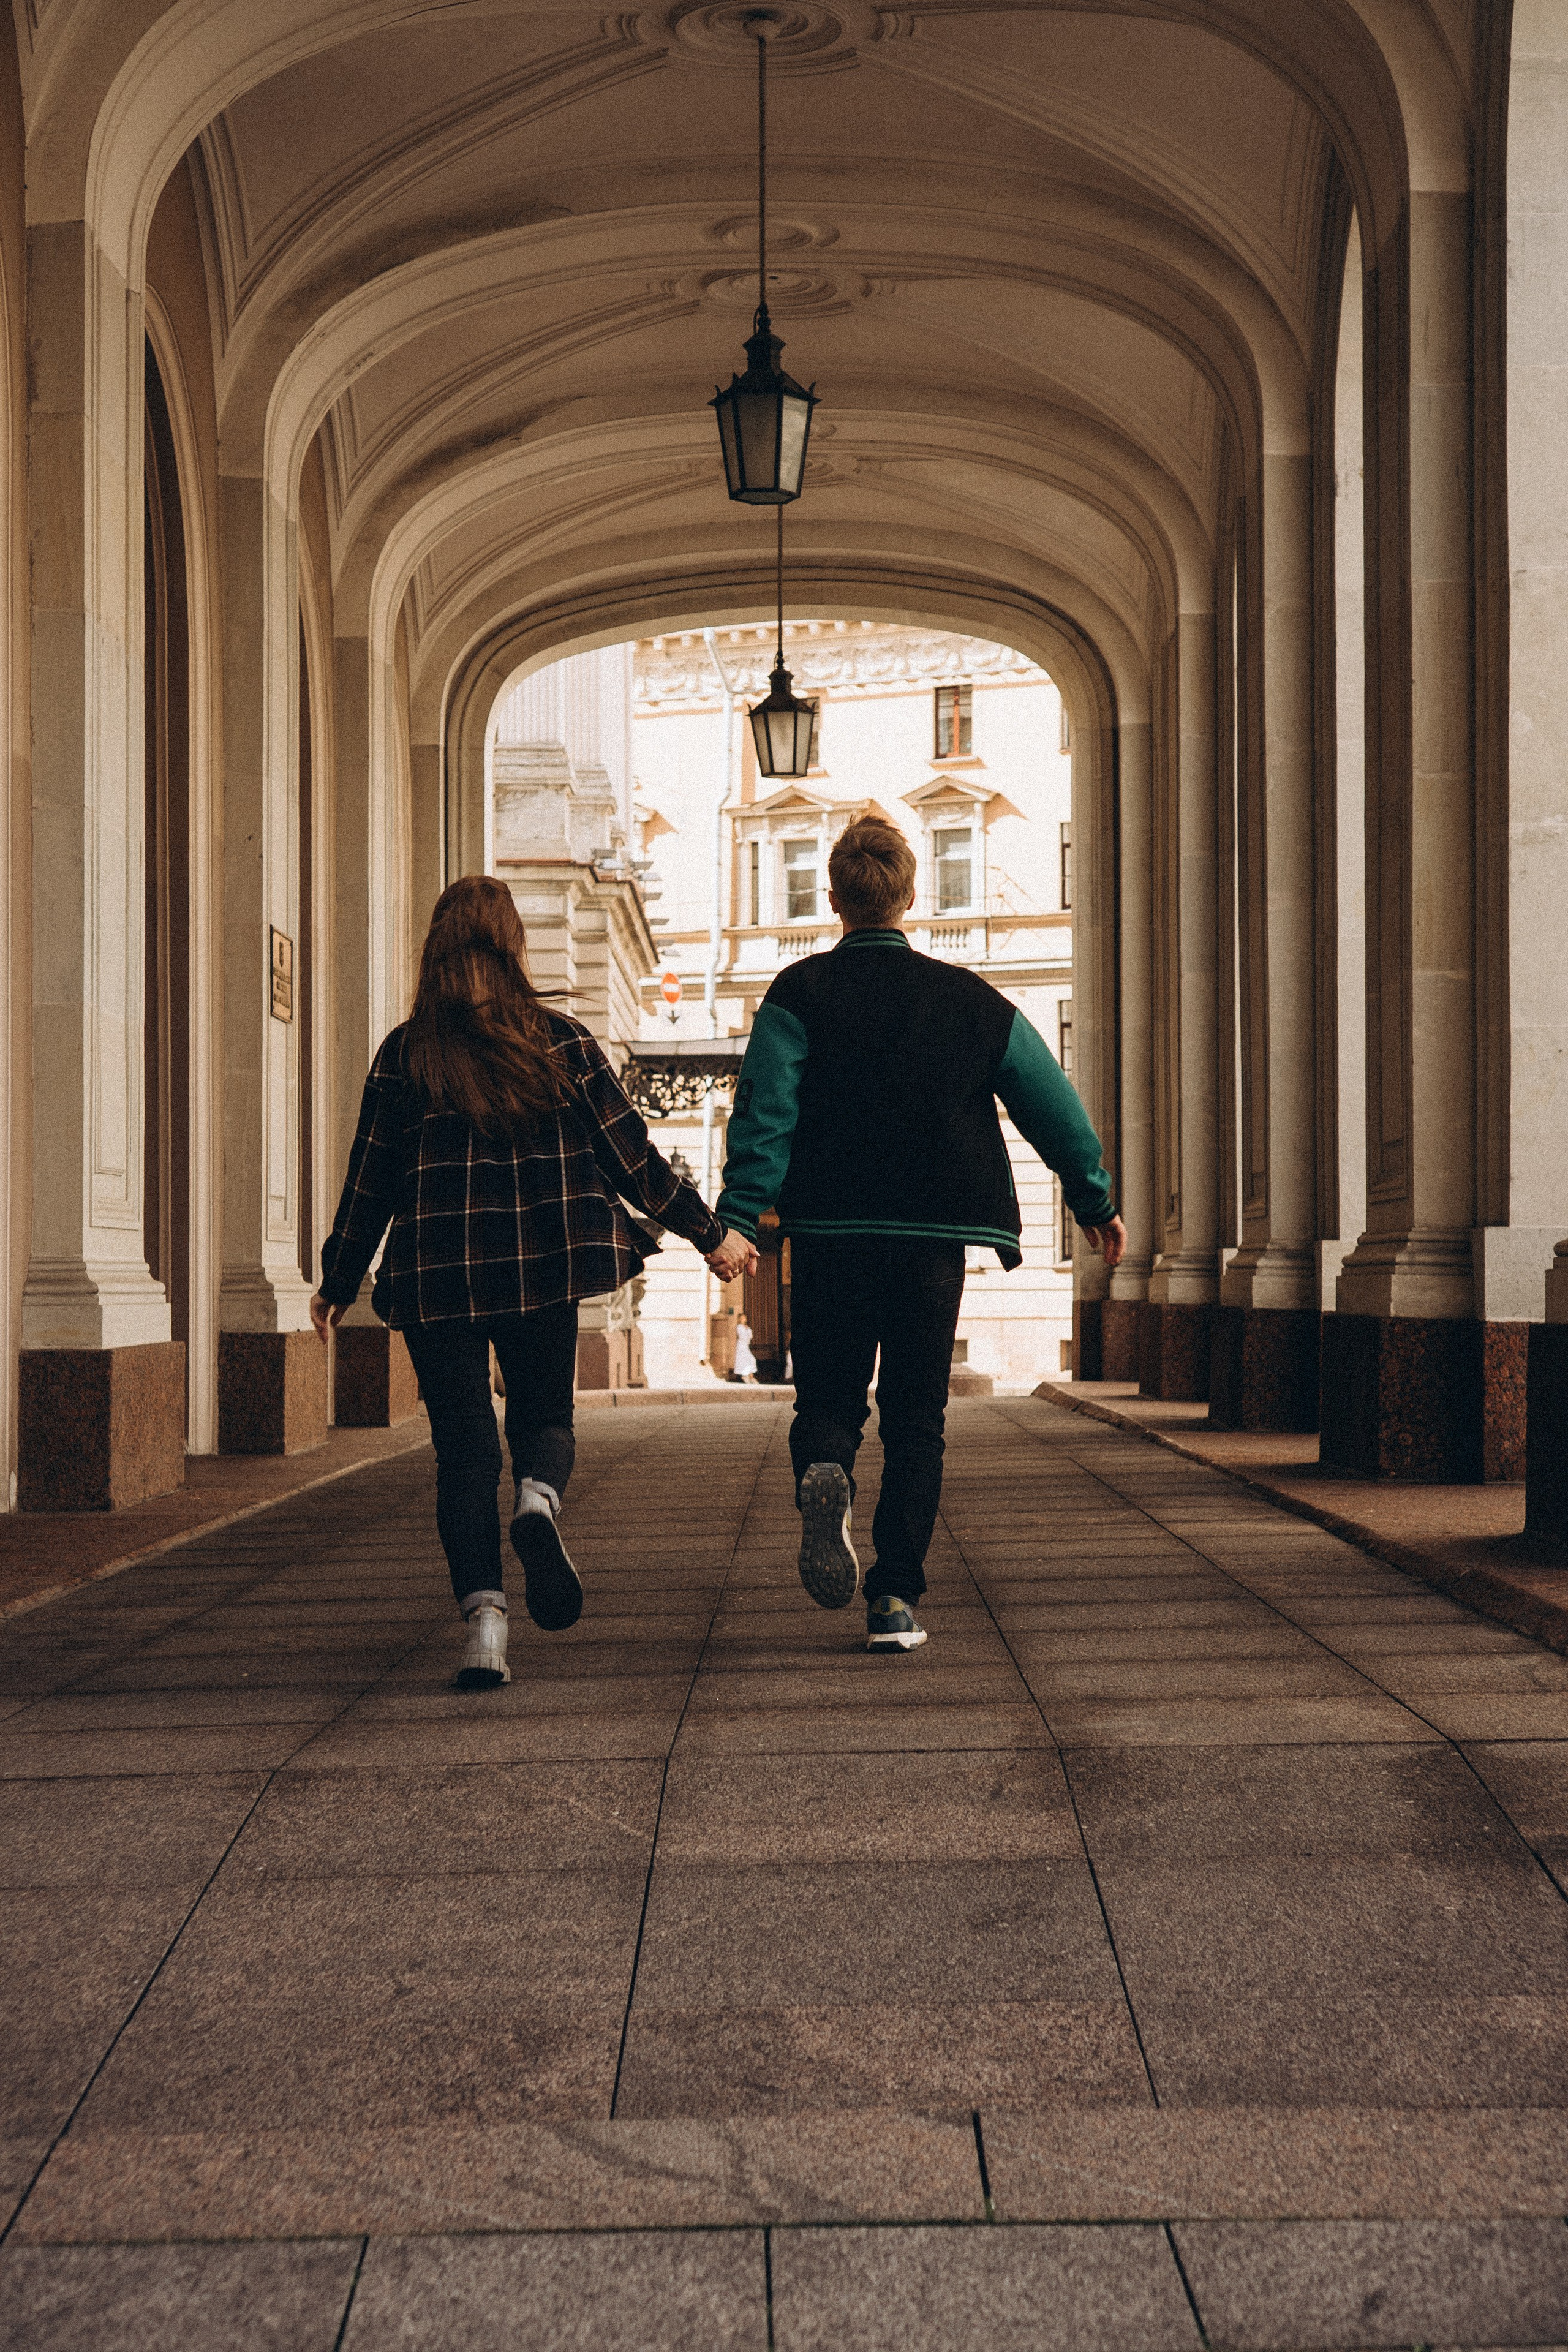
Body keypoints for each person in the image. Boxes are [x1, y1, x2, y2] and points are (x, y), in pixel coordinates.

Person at [311, 876, 756, 1690]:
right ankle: (540, 1502)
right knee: (545, 1416)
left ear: (436, 952)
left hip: (440, 1273)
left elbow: (369, 1178)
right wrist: (710, 1234)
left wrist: (340, 1276)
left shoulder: (406, 1054)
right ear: (513, 948)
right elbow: (634, 1161)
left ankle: (484, 1627)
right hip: (542, 1262)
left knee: (463, 1451)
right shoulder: (562, 1043)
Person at [715, 816, 1125, 1654]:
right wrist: (1093, 1198)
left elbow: (766, 1111)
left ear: (832, 899)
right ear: (909, 896)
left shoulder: (797, 993)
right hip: (932, 1237)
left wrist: (739, 1213)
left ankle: (825, 1466)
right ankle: (895, 1598)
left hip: (828, 1232)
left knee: (826, 1398)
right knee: (917, 1418)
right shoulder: (970, 1000)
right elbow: (1051, 1101)